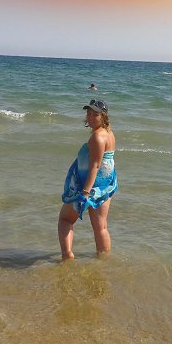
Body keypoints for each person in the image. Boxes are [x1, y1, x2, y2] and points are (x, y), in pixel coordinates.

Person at [59, 99, 118, 260]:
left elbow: (95, 166)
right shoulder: (109, 133)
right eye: (89, 113)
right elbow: (106, 161)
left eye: (95, 114)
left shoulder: (97, 137)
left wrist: (85, 193)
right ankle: (104, 261)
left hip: (90, 186)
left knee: (65, 219)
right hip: (105, 184)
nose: (90, 117)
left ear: (103, 116)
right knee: (101, 227)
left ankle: (67, 256)